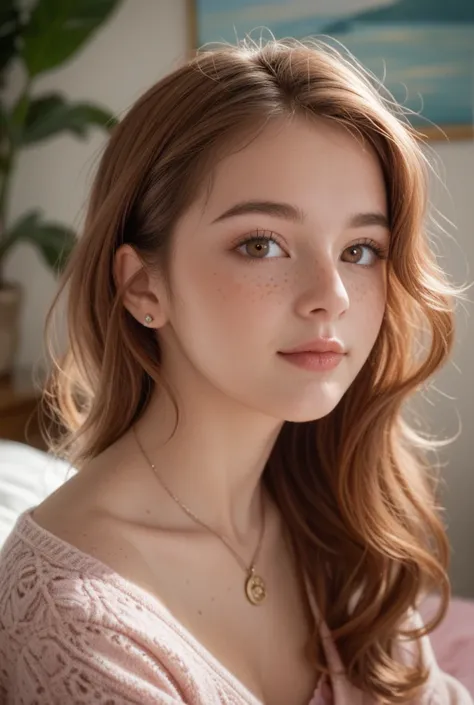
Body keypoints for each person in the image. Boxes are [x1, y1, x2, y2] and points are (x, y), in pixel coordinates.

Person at [0, 37, 471, 705]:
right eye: (262, 243)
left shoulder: (332, 513)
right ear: (142, 286)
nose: (331, 293)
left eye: (361, 248)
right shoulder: (78, 616)